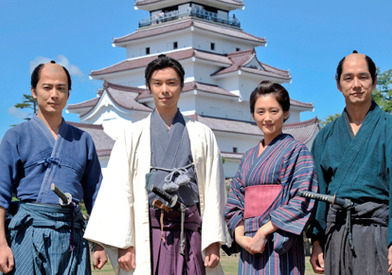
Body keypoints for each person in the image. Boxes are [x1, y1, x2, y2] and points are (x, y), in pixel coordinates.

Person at [84, 54, 227, 275]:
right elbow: (118, 190)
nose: (165, 90)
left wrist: (213, 239)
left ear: (181, 86)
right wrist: (124, 242)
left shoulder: (202, 134)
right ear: (149, 88)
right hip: (148, 233)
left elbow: (214, 190)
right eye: (157, 83)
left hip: (190, 232)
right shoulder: (132, 135)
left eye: (171, 83)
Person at [0, 61, 107, 274]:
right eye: (47, 87)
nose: (54, 94)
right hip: (29, 234)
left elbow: (95, 196)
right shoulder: (16, 137)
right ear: (34, 91)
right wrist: (1, 244)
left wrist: (100, 243)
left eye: (61, 88)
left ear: (68, 94)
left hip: (72, 237)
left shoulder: (83, 140)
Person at [308, 51, 392, 275]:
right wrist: (317, 241)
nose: (356, 84)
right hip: (336, 235)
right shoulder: (326, 136)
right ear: (338, 84)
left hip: (381, 235)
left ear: (374, 81)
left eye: (363, 77)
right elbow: (319, 193)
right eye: (348, 78)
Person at [225, 81, 318, 274]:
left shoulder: (297, 151)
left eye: (273, 111)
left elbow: (302, 199)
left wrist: (263, 231)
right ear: (253, 115)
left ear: (286, 113)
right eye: (260, 112)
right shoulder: (248, 157)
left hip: (279, 240)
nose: (267, 118)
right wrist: (241, 237)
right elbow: (234, 200)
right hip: (248, 243)